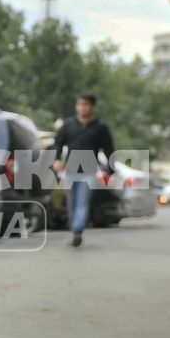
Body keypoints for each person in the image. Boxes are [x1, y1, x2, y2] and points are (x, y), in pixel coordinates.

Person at [52, 92, 115, 249]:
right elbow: (58, 142)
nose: (82, 108)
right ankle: (75, 230)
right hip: (71, 170)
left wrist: (111, 170)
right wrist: (57, 159)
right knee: (72, 203)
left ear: (92, 106)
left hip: (89, 171)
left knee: (83, 201)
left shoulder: (100, 128)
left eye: (86, 104)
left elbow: (109, 149)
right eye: (79, 104)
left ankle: (78, 230)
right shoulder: (69, 125)